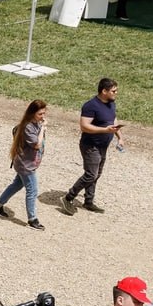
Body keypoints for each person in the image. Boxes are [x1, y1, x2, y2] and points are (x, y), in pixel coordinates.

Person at [62, 77, 122, 216]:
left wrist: (120, 137)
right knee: (91, 174)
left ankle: (88, 201)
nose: (116, 93)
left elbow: (113, 119)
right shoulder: (91, 106)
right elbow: (84, 126)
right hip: (90, 145)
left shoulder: (111, 103)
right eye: (114, 91)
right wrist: (105, 130)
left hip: (103, 145)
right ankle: (68, 198)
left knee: (97, 174)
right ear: (104, 91)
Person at [0, 99, 47, 231]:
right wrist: (43, 129)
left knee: (16, 185)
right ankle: (32, 220)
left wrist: (41, 127)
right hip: (26, 166)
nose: (43, 117)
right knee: (32, 191)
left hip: (26, 164)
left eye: (44, 113)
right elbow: (37, 144)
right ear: (32, 114)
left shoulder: (35, 124)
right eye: (40, 114)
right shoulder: (28, 127)